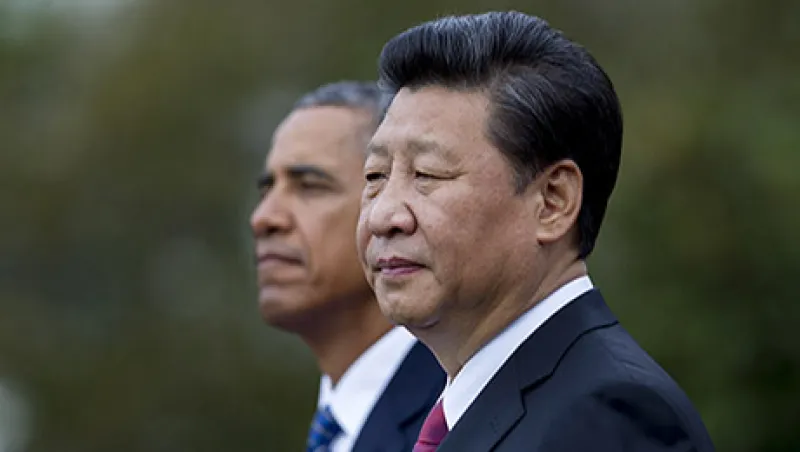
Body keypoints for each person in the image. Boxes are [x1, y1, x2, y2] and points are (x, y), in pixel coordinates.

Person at [356, 12, 715, 452]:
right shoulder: (462, 410)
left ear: (553, 202)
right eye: (375, 176)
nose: (383, 216)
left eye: (427, 173)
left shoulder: (607, 415)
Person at [251, 81, 445, 452]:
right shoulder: (338, 424)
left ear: (391, 207)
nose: (264, 218)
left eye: (309, 186)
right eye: (267, 190)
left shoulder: (456, 417)